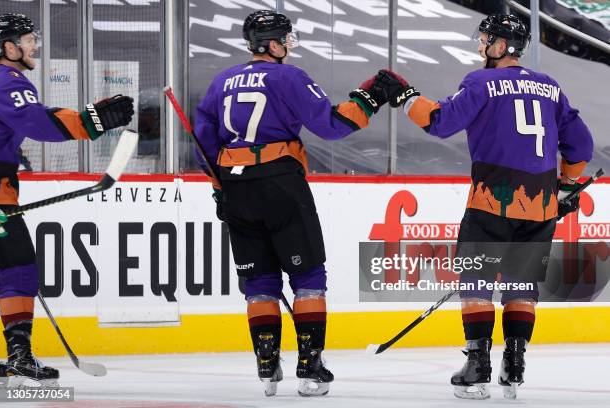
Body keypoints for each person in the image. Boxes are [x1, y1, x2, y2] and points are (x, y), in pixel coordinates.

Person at [375, 14, 593, 400]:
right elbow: (581, 146)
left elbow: (440, 122)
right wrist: (565, 188)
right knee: (521, 286)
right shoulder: (550, 87)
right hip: (540, 208)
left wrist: (406, 96)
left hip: (491, 202)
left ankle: (478, 365)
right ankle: (515, 362)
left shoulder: (482, 83)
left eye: (487, 40)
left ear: (502, 46)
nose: (481, 46)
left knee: (476, 284)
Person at [194, 9, 391, 397]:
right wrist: (369, 98)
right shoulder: (289, 77)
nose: (289, 44)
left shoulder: (222, 81)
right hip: (280, 183)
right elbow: (331, 125)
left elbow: (205, 144)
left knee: (259, 280)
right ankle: (310, 366)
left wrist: (221, 189)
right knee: (308, 277)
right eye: (285, 37)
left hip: (238, 189)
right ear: (271, 43)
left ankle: (266, 364)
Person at [0, 13, 134, 387]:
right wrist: (92, 121)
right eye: (26, 40)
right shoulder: (7, 80)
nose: (33, 45)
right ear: (7, 47)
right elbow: (35, 121)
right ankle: (20, 357)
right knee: (18, 267)